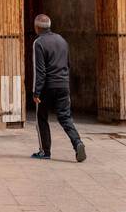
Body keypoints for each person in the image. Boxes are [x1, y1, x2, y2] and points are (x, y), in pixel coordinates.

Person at [30, 14, 87, 162]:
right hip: (63, 84)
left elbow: (40, 71)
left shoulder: (39, 43)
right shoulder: (62, 40)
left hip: (47, 87)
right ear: (49, 25)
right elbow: (68, 63)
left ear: (37, 27)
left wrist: (36, 92)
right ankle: (77, 143)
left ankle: (45, 151)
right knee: (65, 118)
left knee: (41, 118)